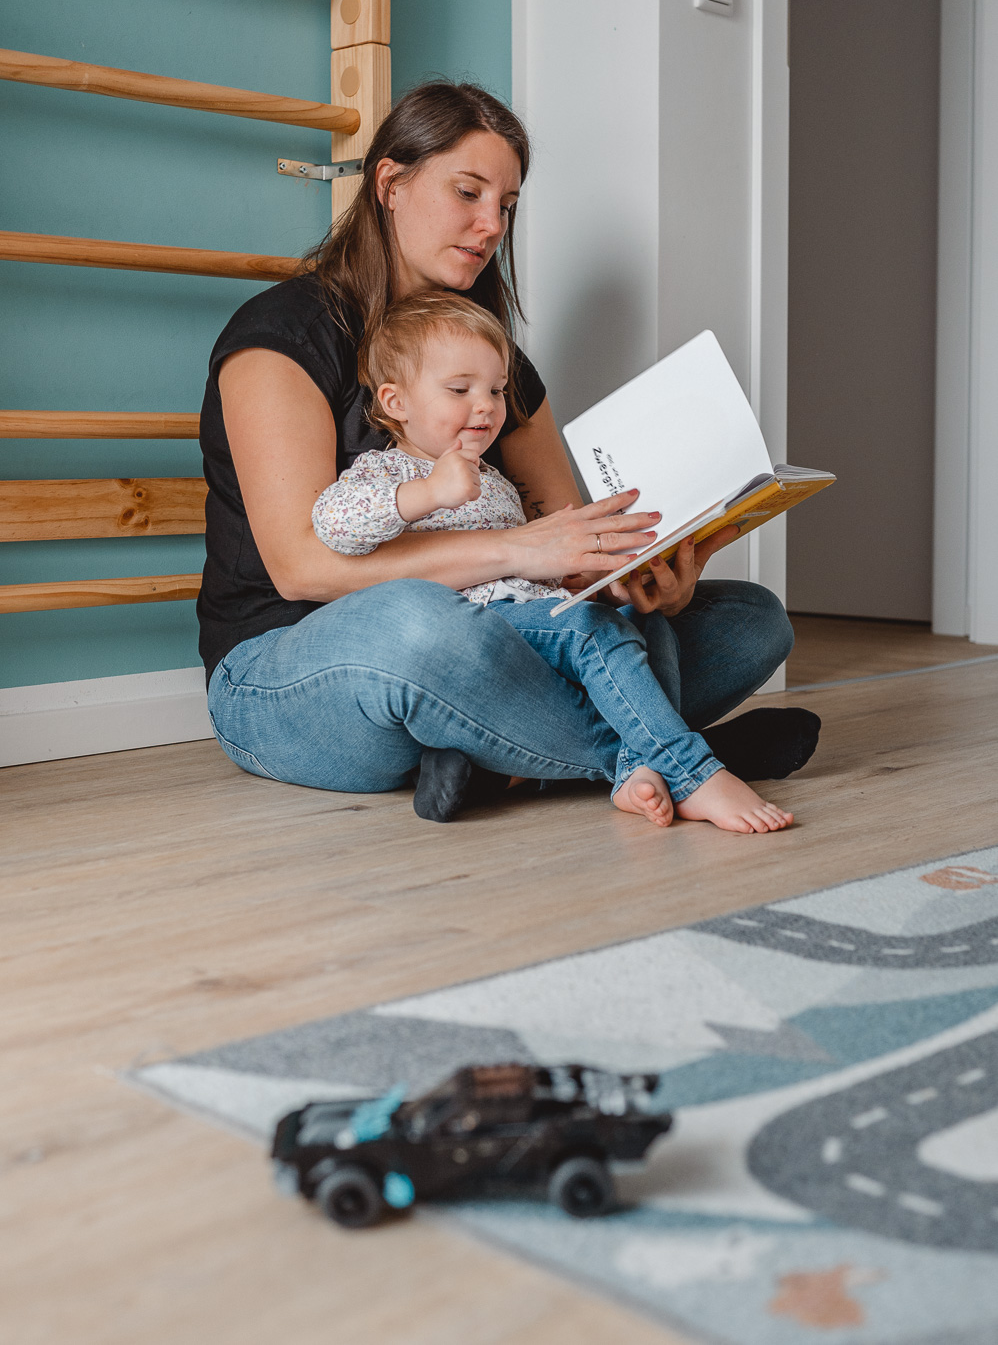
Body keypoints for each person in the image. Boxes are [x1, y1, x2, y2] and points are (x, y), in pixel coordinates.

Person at [198, 80, 819, 822]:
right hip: (292, 668)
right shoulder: (281, 337)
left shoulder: (499, 369)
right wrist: (521, 551)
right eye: (468, 192)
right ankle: (676, 756)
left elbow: (565, 543)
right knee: (421, 624)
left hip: (496, 635)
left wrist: (639, 576)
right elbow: (303, 568)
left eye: (508, 204)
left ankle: (513, 760)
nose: (491, 223)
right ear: (391, 184)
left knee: (753, 619)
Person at [311, 289, 794, 834]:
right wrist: (425, 494)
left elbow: (532, 563)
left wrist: (608, 578)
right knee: (596, 633)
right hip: (477, 633)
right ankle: (691, 770)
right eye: (459, 389)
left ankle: (632, 771)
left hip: (541, 619)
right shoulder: (386, 472)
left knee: (642, 623)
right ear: (396, 403)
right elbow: (333, 524)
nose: (487, 405)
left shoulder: (494, 480)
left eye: (495, 390)